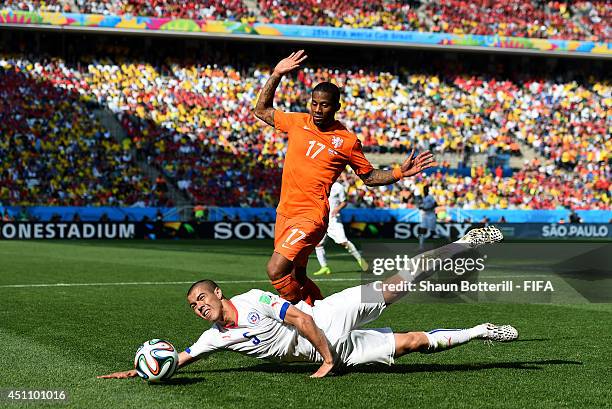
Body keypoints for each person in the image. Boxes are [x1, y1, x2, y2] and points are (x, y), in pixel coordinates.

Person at [98, 226, 515, 380]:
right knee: (412, 345)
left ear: (218, 293)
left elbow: (298, 318)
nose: (198, 307)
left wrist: (328, 359)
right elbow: (184, 355)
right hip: (328, 349)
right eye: (193, 305)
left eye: (201, 298)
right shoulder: (214, 337)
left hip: (328, 319)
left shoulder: (255, 299)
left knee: (398, 284)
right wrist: (139, 371)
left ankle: (465, 242)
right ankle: (482, 332)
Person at [253, 50, 435, 305]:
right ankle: (318, 311)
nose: (318, 109)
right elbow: (261, 110)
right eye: (314, 103)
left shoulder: (347, 141)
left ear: (337, 107)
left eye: (325, 104)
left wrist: (398, 173)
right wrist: (276, 74)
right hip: (285, 212)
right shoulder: (297, 122)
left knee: (276, 270)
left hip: (310, 215)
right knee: (297, 273)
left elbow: (369, 176)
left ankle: (302, 318)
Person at [314, 180, 368, 276]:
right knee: (318, 244)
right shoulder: (320, 184)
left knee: (343, 242)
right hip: (321, 219)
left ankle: (361, 261)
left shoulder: (338, 187)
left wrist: (337, 209)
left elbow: (344, 202)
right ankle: (324, 267)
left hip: (333, 220)